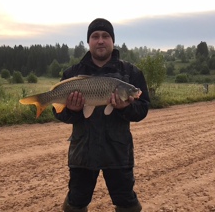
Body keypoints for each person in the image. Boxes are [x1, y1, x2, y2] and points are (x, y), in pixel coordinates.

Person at [53, 18, 150, 212]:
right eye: (95, 36)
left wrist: (125, 108)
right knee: (76, 202)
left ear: (113, 41)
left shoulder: (130, 73)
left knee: (126, 202)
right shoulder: (72, 74)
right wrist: (72, 110)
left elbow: (143, 109)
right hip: (83, 152)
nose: (100, 40)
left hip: (118, 151)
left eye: (105, 36)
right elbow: (58, 113)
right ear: (88, 41)